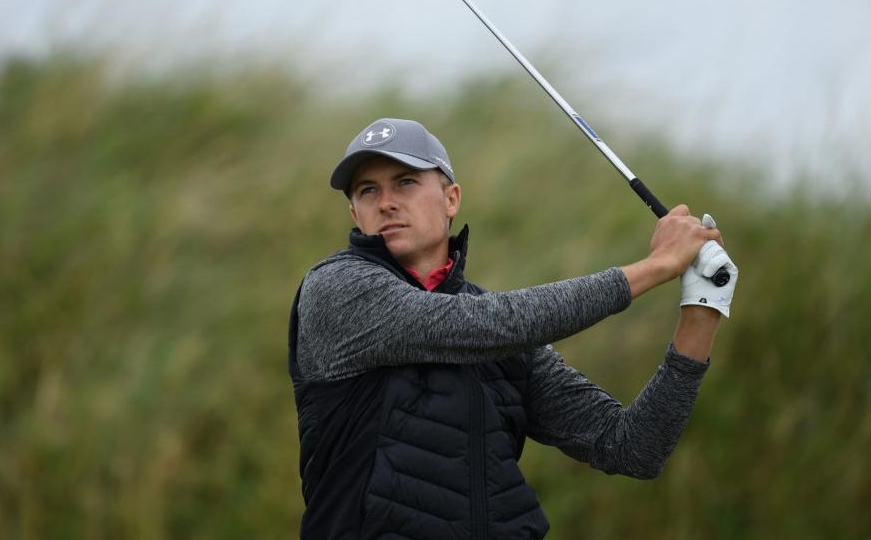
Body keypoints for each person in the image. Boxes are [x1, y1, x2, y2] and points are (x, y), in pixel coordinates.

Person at [287, 118, 738, 539]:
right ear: (355, 214)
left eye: (405, 182)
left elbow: (631, 447)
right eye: (367, 191)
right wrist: (655, 267)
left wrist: (703, 306)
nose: (385, 202)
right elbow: (480, 326)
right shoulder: (337, 287)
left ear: (451, 200)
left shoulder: (504, 339)